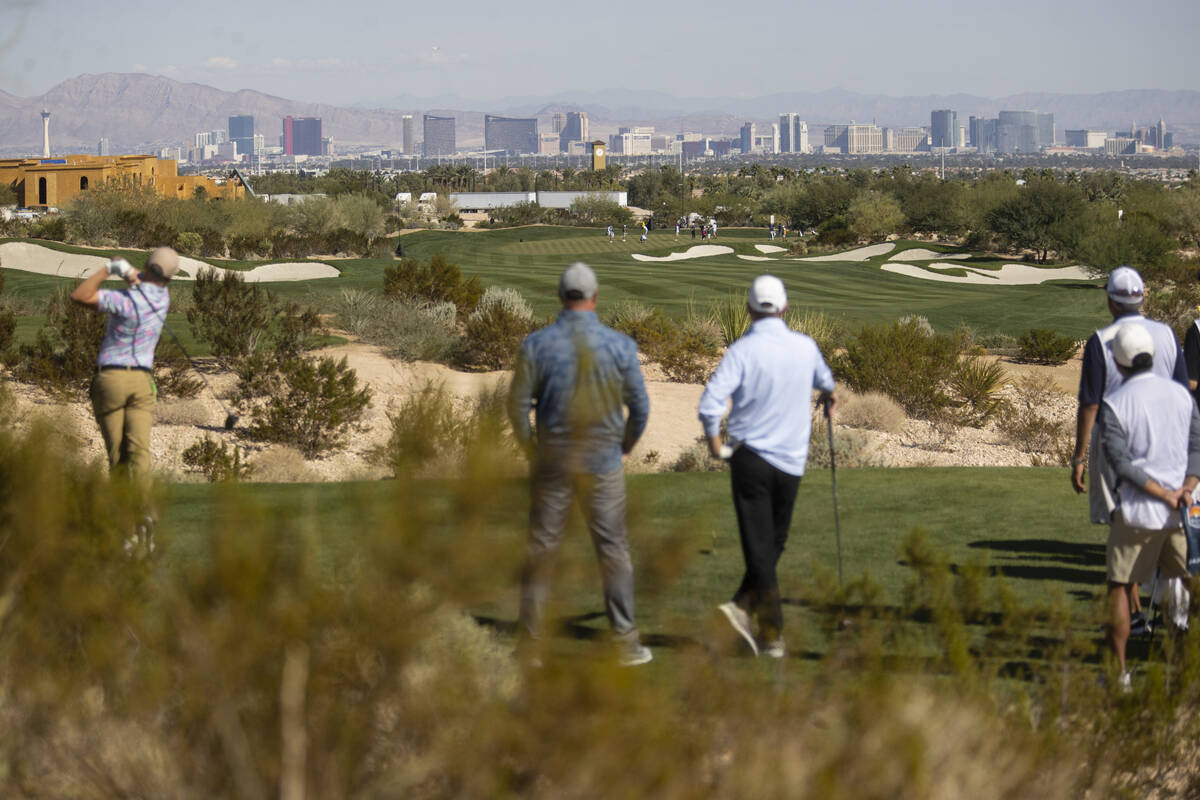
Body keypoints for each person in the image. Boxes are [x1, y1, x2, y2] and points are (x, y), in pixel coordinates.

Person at [507, 262, 653, 667]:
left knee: (541, 549)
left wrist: (531, 449)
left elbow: (517, 406)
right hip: (603, 462)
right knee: (613, 551)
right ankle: (625, 641)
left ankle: (530, 646)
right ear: (595, 297)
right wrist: (626, 445)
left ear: (560, 297)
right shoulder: (620, 346)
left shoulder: (536, 345)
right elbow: (639, 407)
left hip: (553, 461)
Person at [698, 275, 837, 658]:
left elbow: (711, 404)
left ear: (749, 309)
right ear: (786, 308)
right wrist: (829, 397)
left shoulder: (742, 351)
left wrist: (714, 445)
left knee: (769, 543)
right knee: (770, 542)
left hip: (750, 459)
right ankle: (770, 632)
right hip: (791, 461)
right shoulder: (805, 347)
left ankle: (741, 609)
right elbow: (827, 383)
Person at [1071, 266, 1188, 631]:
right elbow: (1184, 392)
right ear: (1143, 296)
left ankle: (1135, 613)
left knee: (1124, 529)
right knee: (1171, 529)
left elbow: (1090, 403)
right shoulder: (1167, 335)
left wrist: (1079, 456)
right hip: (1166, 442)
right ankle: (1170, 616)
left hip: (1117, 445)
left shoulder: (1101, 339)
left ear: (1110, 300)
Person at [1096, 324, 1200, 690]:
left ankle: (1118, 674)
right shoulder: (1182, 397)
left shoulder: (1114, 404)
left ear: (1119, 362)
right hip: (1180, 512)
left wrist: (1164, 494)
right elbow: (1196, 449)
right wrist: (1185, 489)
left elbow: (1122, 464)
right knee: (1186, 584)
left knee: (1121, 587)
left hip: (1138, 512)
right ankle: (1185, 668)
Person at [70, 247, 179, 528]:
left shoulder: (121, 300)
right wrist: (130, 272)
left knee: (117, 455)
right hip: (142, 383)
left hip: (111, 379)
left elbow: (80, 296)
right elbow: (145, 282)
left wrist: (110, 269)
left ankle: (123, 523)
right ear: (168, 278)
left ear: (146, 266)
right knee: (139, 452)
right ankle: (144, 514)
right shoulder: (162, 299)